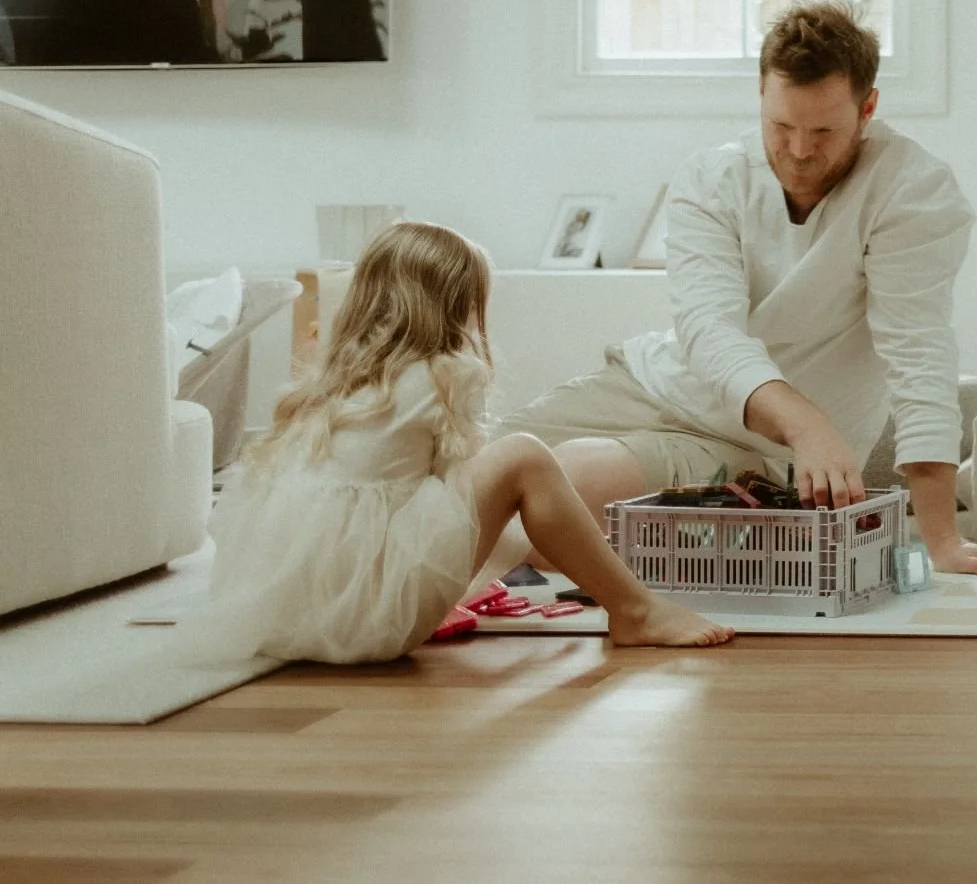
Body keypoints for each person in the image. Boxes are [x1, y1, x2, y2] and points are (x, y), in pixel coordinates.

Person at [505, 1, 977, 577]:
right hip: (655, 385)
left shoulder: (913, 192)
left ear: (867, 108)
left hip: (763, 453)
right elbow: (708, 330)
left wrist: (944, 541)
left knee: (560, 490)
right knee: (467, 474)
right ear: (761, 96)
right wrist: (806, 420)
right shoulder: (713, 177)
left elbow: (919, 355)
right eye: (781, 126)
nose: (798, 151)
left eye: (823, 131)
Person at [192, 221, 732, 663]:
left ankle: (623, 601)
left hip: (285, 616)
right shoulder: (446, 375)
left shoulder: (330, 383)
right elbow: (465, 505)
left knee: (487, 489)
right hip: (366, 623)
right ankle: (635, 609)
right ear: (457, 307)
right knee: (523, 456)